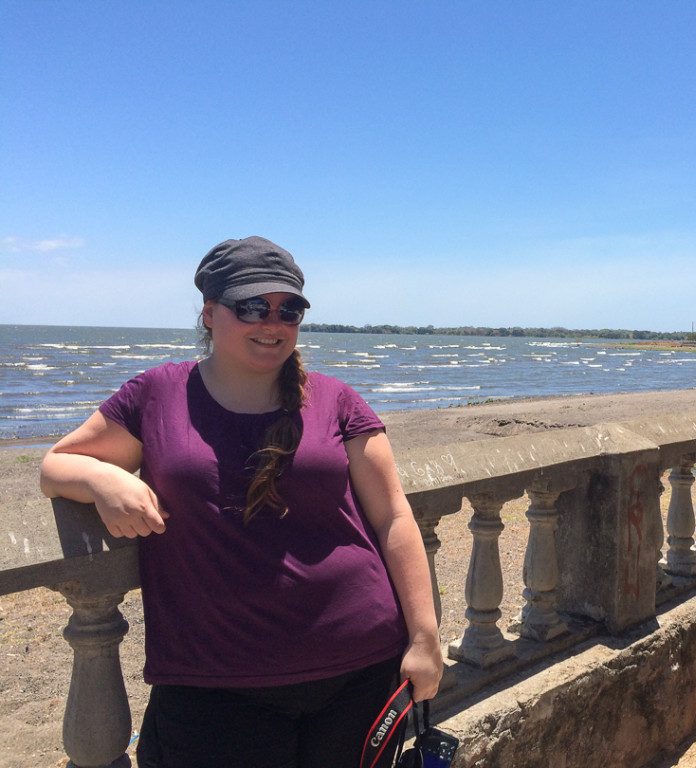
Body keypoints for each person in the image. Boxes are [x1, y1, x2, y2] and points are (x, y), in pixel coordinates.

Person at [40, 236, 443, 768]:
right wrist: (100, 480)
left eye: (289, 309)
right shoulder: (158, 394)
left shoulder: (337, 400)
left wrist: (425, 637)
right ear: (209, 313)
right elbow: (55, 465)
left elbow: (393, 517)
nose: (271, 322)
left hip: (359, 665)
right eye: (251, 306)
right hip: (212, 679)